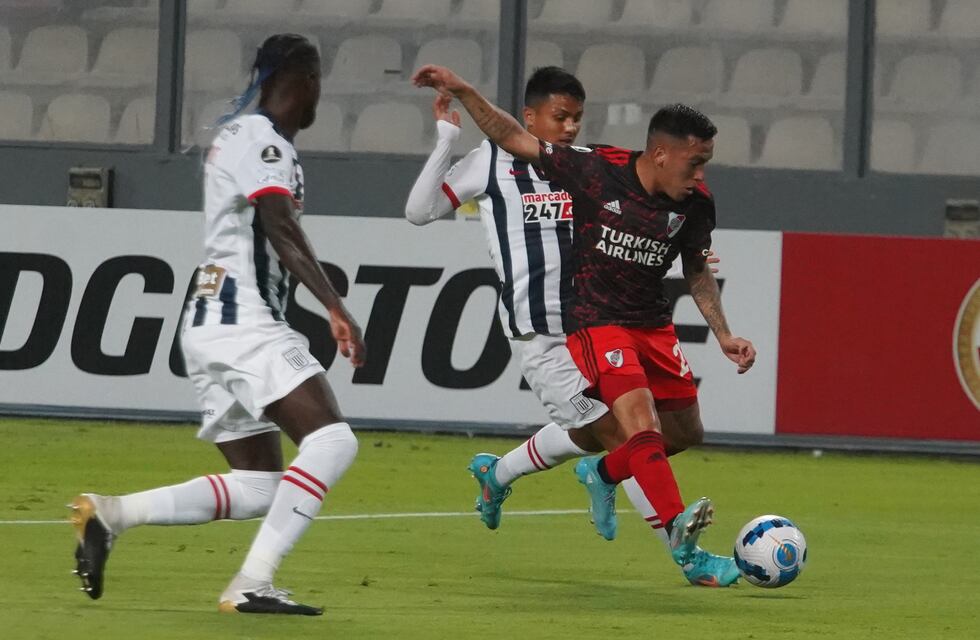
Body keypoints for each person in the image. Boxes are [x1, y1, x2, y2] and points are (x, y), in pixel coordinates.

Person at [412, 64, 757, 584]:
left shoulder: (588, 165)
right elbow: (422, 208)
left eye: (577, 118)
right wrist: (449, 132)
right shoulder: (490, 162)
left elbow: (645, 206)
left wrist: (695, 260)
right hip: (544, 330)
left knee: (619, 434)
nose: (570, 127)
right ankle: (688, 556)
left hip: (598, 317)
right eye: (559, 117)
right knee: (626, 434)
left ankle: (498, 472)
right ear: (531, 116)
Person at [70, 34, 364, 616]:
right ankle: (252, 582)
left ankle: (112, 514)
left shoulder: (234, 134)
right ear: (305, 80)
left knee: (260, 487)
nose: (317, 102)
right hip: (244, 321)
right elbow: (280, 227)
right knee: (332, 441)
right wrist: (334, 304)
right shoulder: (263, 139)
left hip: (208, 325)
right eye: (317, 87)